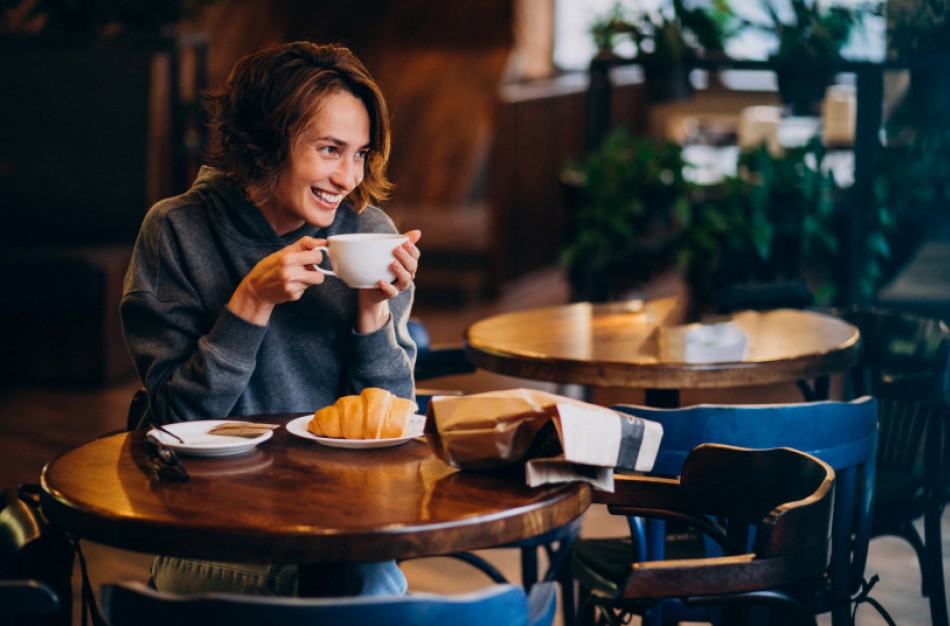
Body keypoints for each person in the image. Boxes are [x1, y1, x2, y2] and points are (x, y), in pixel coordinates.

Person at [121, 41, 420, 597]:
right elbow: (170, 424)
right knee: (365, 586)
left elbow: (393, 421)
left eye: (360, 154)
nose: (348, 177)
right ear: (264, 144)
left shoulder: (368, 234)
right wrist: (250, 304)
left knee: (364, 576)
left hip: (342, 524)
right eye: (330, 150)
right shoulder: (178, 230)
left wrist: (373, 313)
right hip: (212, 531)